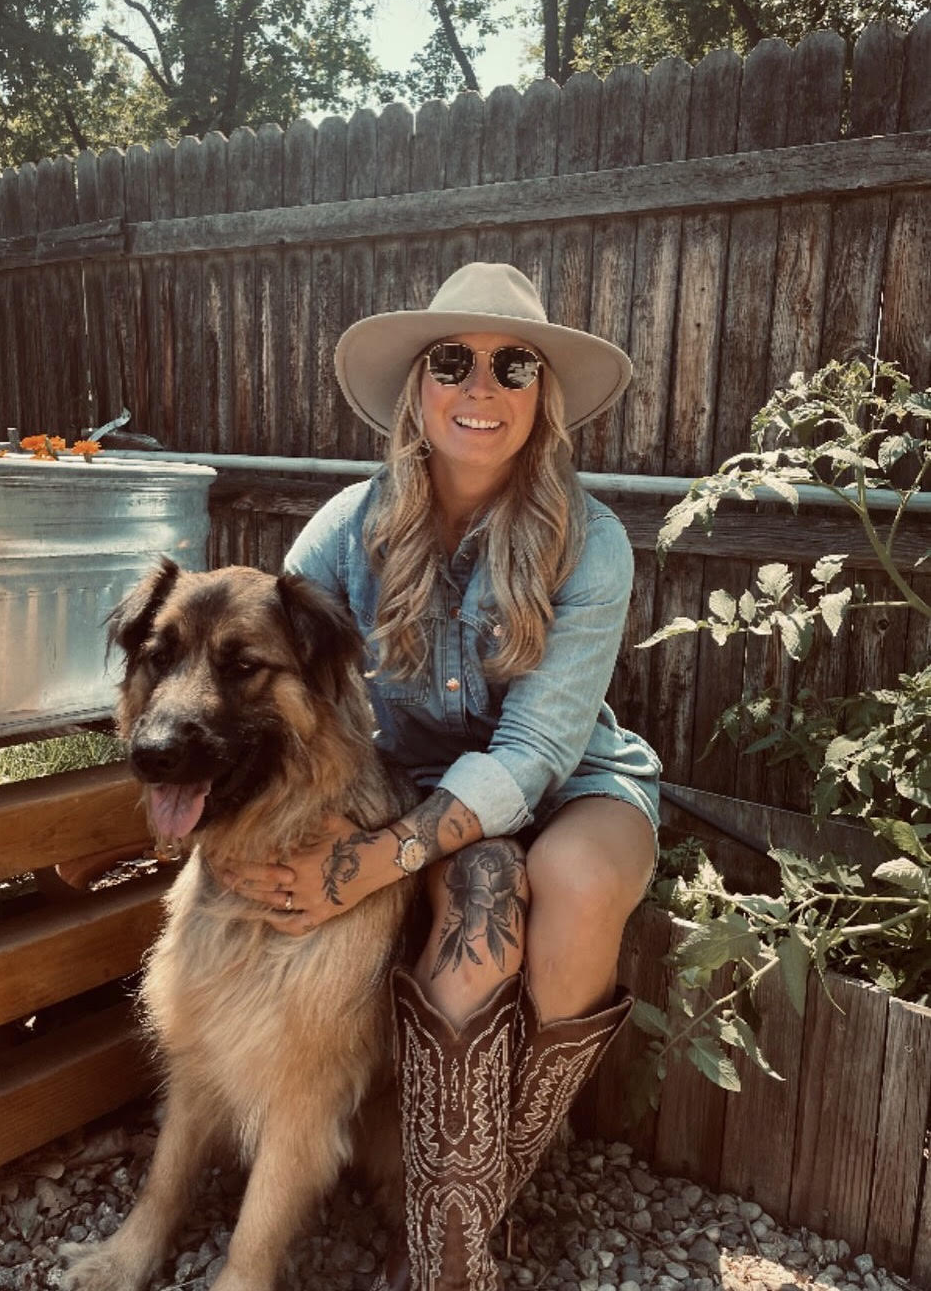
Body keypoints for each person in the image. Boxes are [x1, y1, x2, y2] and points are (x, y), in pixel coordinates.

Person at [219, 263, 661, 1291]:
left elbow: (535, 755)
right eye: (452, 361)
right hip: (407, 784)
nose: (482, 388)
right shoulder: (346, 528)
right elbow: (283, 690)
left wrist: (383, 857)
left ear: (541, 399)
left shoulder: (589, 543)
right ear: (418, 389)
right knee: (479, 902)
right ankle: (452, 1253)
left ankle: (471, 1204)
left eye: (515, 366)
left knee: (581, 887)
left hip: (569, 779)